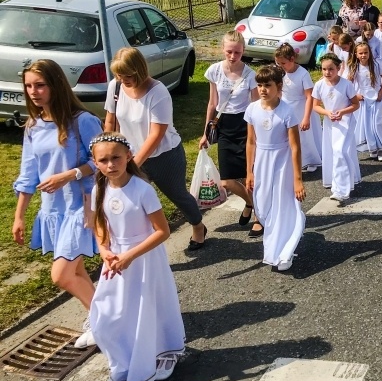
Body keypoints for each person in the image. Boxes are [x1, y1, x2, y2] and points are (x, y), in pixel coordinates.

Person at [87, 133, 184, 381]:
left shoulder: (143, 190)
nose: (110, 164)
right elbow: (99, 226)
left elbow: (162, 231)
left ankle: (166, 349)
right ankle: (121, 369)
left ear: (128, 156)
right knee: (105, 315)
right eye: (103, 160)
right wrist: (104, 249)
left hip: (144, 258)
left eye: (115, 157)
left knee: (151, 305)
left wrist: (130, 255)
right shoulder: (99, 189)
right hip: (115, 260)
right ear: (95, 163)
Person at [13, 59, 102, 349]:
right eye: (28, 86)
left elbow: (103, 160)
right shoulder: (33, 126)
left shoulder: (82, 121)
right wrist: (20, 216)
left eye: (40, 85)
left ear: (55, 85)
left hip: (82, 206)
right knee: (75, 272)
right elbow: (27, 175)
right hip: (54, 210)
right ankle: (100, 317)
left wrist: (71, 174)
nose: (33, 91)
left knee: (62, 274)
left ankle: (105, 321)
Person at [103, 48, 206, 250]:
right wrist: (109, 153)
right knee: (134, 202)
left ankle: (198, 225)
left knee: (177, 195)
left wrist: (132, 165)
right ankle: (140, 244)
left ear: (139, 70)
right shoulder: (115, 87)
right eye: (119, 75)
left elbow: (156, 135)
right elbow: (110, 122)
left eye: (128, 75)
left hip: (164, 156)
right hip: (130, 156)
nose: (123, 79)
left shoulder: (157, 92)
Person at [244, 65, 306, 271]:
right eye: (260, 85)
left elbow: (295, 147)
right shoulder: (252, 109)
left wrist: (297, 179)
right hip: (262, 161)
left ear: (278, 86)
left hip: (282, 163)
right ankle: (276, 246)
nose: (262, 89)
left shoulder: (287, 111)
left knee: (280, 205)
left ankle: (281, 252)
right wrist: (249, 171)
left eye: (267, 85)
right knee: (262, 206)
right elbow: (251, 142)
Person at [200, 31, 258, 232]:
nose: (233, 56)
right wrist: (205, 132)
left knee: (250, 175)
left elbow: (256, 105)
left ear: (243, 51)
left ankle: (259, 216)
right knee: (226, 180)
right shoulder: (214, 71)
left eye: (237, 53)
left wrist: (257, 132)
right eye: (229, 52)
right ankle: (251, 203)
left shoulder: (250, 74)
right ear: (223, 50)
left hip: (244, 124)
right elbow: (212, 103)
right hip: (224, 124)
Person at [312, 53, 361, 203]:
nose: (327, 72)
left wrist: (342, 112)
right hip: (329, 123)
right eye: (324, 69)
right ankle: (343, 181)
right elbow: (315, 106)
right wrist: (327, 113)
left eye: (331, 69)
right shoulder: (319, 85)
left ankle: (341, 191)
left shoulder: (346, 84)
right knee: (333, 152)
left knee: (340, 151)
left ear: (338, 68)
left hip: (345, 122)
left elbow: (355, 104)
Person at [274, 43, 323, 174]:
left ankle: (311, 160)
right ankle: (294, 160)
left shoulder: (303, 74)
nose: (280, 66)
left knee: (305, 136)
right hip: (286, 107)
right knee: (289, 136)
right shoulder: (281, 73)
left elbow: (309, 97)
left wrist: (306, 117)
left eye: (283, 63)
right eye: (278, 63)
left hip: (301, 108)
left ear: (292, 59)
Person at [348, 42, 382, 161]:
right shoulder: (355, 67)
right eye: (360, 53)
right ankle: (372, 148)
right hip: (364, 100)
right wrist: (356, 95)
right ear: (356, 54)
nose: (363, 55)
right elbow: (348, 84)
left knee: (377, 124)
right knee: (367, 126)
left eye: (366, 52)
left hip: (376, 98)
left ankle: (381, 149)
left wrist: (381, 93)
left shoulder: (376, 65)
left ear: (369, 53)